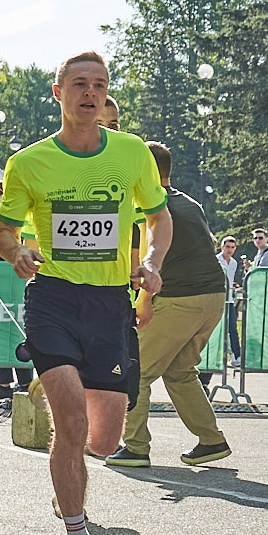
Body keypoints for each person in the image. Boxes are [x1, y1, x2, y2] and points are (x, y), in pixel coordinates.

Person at [0, 51, 170, 535]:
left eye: (99, 85)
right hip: (53, 299)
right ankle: (76, 533)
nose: (89, 93)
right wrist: (15, 251)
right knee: (70, 422)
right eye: (79, 85)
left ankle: (66, 468)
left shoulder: (132, 153)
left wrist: (151, 263)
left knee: (104, 439)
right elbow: (4, 229)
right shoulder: (29, 162)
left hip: (111, 303)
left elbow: (159, 220)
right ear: (58, 93)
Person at [109, 142, 230, 467]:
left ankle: (134, 447)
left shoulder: (155, 208)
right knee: (179, 372)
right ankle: (211, 439)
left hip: (181, 299)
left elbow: (153, 263)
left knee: (137, 373)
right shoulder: (189, 202)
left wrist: (143, 300)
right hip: (214, 297)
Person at [216, 235, 244, 366]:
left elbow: (230, 279)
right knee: (217, 328)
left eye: (232, 247)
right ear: (222, 247)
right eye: (227, 247)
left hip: (229, 300)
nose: (230, 250)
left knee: (232, 327)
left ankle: (236, 355)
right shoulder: (216, 260)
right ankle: (216, 355)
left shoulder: (234, 262)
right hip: (217, 299)